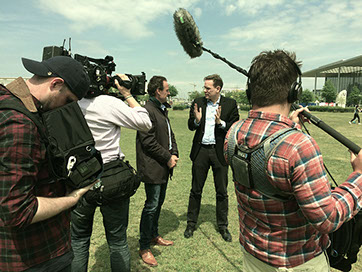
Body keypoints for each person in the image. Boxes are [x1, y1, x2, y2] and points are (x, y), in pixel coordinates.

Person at [224, 50, 362, 271]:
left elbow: (267, 162)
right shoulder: (299, 146)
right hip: (297, 263)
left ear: (251, 90)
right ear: (294, 92)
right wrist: (358, 176)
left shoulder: (233, 133)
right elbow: (327, 218)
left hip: (252, 256)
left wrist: (289, 125)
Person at [0, 56, 93, 272]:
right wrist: (73, 197)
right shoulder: (20, 124)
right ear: (56, 84)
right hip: (35, 256)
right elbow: (18, 210)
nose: (67, 109)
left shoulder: (9, 102)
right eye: (68, 101)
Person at [70, 74, 152, 272]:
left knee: (78, 240)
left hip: (77, 177)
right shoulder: (107, 103)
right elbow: (145, 123)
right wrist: (127, 94)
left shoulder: (69, 102)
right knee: (117, 240)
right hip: (110, 176)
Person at [184, 74, 239, 242]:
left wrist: (221, 123)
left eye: (208, 88)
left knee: (221, 191)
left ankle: (223, 226)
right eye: (204, 87)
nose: (205, 90)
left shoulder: (230, 104)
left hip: (219, 152)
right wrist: (197, 121)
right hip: (201, 151)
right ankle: (191, 224)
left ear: (218, 89)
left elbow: (235, 126)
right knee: (195, 190)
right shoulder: (198, 102)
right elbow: (190, 125)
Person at [136, 75, 179, 267]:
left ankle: (153, 235)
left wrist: (175, 153)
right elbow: (148, 142)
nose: (169, 92)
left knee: (158, 204)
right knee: (151, 206)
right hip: (153, 167)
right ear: (157, 91)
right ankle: (144, 246)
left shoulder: (161, 109)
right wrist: (168, 157)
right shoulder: (147, 111)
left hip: (162, 166)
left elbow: (170, 135)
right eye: (166, 89)